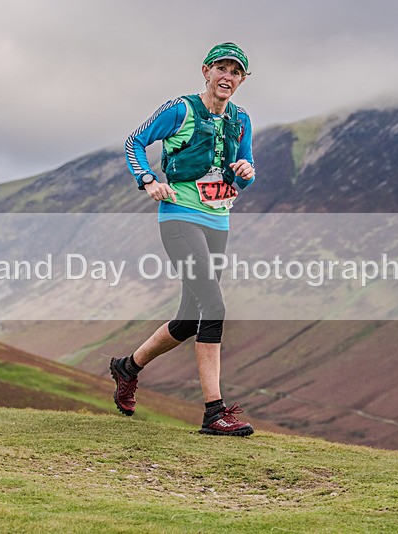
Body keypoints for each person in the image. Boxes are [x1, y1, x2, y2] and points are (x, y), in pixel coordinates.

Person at [112, 42, 256, 436]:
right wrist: (147, 180)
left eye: (236, 72)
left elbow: (246, 169)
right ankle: (214, 413)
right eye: (221, 69)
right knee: (213, 307)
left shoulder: (241, 119)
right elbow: (134, 142)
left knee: (189, 318)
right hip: (179, 217)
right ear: (206, 71)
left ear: (243, 79)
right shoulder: (180, 109)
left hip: (219, 222)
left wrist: (245, 170)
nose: (227, 77)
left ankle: (128, 368)